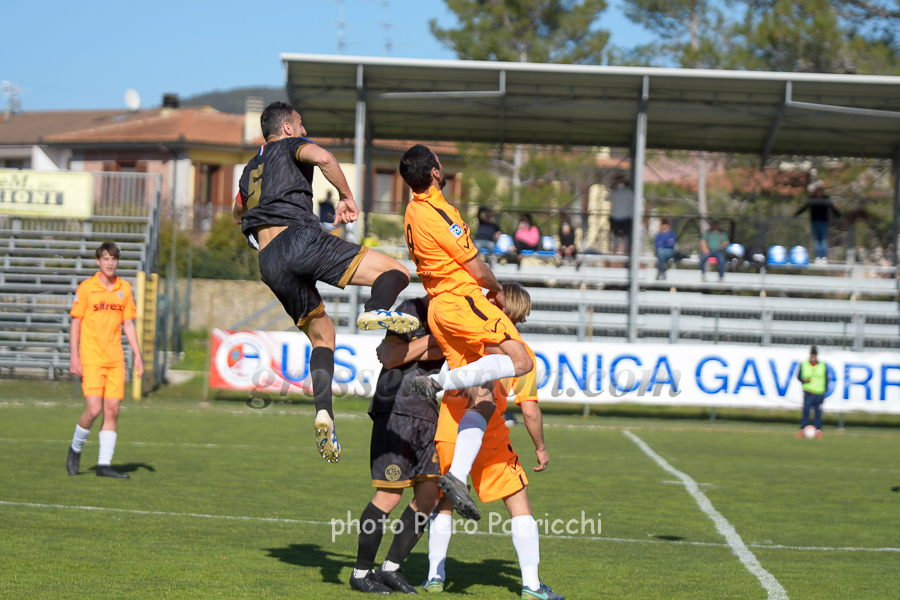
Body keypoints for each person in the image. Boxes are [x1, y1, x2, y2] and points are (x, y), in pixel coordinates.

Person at [233, 101, 419, 464]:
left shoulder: (250, 169)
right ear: (287, 128)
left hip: (268, 262)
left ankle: (323, 413)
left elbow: (237, 210)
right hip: (298, 239)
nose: (304, 130)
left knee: (323, 336)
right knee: (396, 272)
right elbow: (324, 158)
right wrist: (348, 198)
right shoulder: (292, 145)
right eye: (300, 124)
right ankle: (376, 308)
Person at [399, 144, 534, 522]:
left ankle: (457, 476)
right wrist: (496, 289)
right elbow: (476, 268)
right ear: (435, 172)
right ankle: (437, 382)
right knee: (522, 360)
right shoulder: (440, 212)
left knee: (484, 398)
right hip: (461, 301)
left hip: (439, 307)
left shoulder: (412, 210)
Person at [425, 283, 564, 600]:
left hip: (450, 428)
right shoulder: (522, 353)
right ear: (521, 313)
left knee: (444, 500)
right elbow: (529, 410)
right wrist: (541, 447)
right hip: (490, 436)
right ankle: (532, 586)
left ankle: (434, 577)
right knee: (519, 504)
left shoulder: (468, 337)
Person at [349, 296, 444, 594]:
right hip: (397, 410)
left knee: (429, 496)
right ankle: (361, 572)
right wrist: (442, 340)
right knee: (389, 495)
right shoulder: (412, 308)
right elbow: (389, 356)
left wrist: (433, 345)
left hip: (428, 414)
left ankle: (390, 567)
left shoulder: (457, 313)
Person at [66, 242, 143, 479]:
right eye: (106, 258)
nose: (110, 263)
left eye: (114, 259)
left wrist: (138, 355)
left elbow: (128, 324)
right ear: (98, 261)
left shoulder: (124, 288)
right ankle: (75, 448)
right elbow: (76, 322)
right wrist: (74, 355)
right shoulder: (86, 288)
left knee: (112, 410)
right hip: (91, 358)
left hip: (115, 360)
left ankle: (104, 465)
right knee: (94, 409)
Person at [794, 182, 841, 264]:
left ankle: (824, 257)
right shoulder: (812, 199)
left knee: (823, 240)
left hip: (823, 222)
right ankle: (818, 257)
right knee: (817, 240)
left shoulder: (826, 199)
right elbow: (804, 207)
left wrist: (840, 216)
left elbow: (833, 208)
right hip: (814, 222)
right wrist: (795, 214)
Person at [796, 346, 827, 438]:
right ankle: (803, 429)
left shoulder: (822, 365)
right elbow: (798, 376)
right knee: (806, 411)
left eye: (814, 356)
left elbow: (826, 378)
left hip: (819, 392)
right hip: (808, 392)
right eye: (812, 355)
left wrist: (825, 390)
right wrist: (803, 380)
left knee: (818, 413)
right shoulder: (804, 364)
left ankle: (818, 430)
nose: (813, 357)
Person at [607, 175, 634, 255]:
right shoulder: (614, 191)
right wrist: (612, 188)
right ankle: (613, 252)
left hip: (626, 217)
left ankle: (626, 252)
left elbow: (633, 203)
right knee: (614, 235)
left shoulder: (628, 192)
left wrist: (632, 216)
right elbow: (606, 198)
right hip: (615, 216)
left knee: (626, 236)